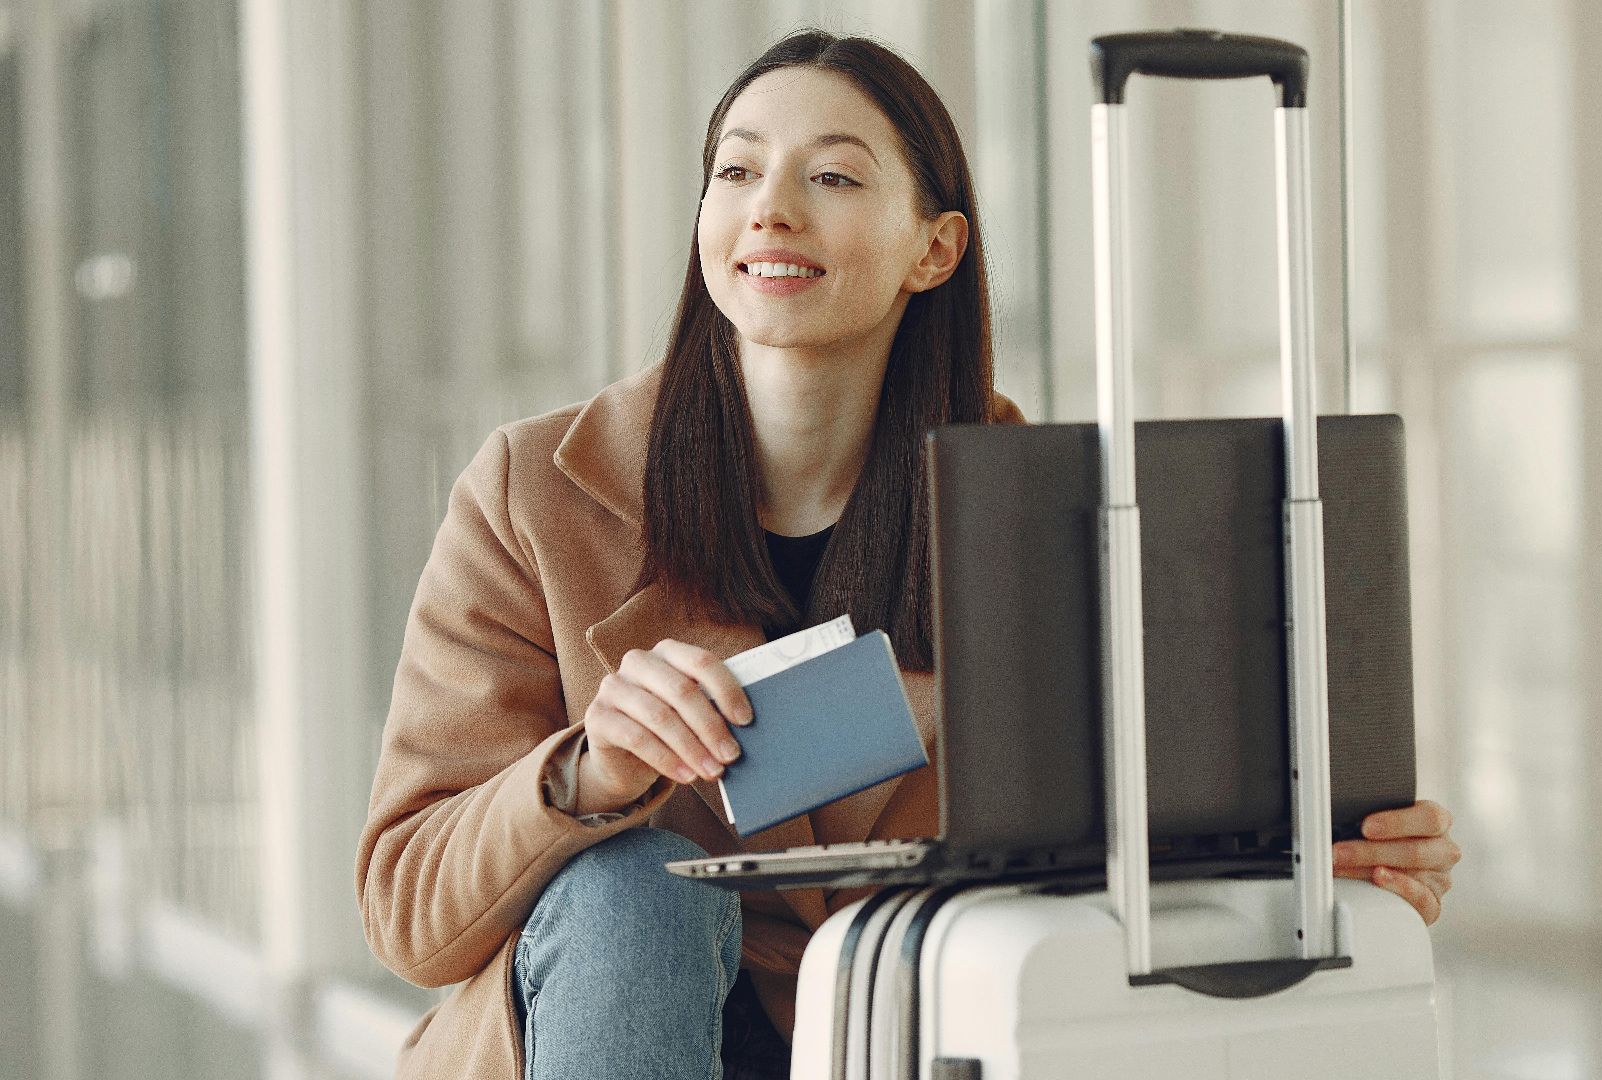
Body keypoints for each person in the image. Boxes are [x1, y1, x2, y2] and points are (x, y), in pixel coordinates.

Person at [355, 28, 1462, 1080]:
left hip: (893, 1030)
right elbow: (409, 911)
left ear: (934, 248)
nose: (771, 212)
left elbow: (1120, 841)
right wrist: (587, 775)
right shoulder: (538, 492)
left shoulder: (1044, 514)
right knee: (633, 887)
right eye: (737, 174)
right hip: (624, 1020)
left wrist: (1316, 866)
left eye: (831, 179)